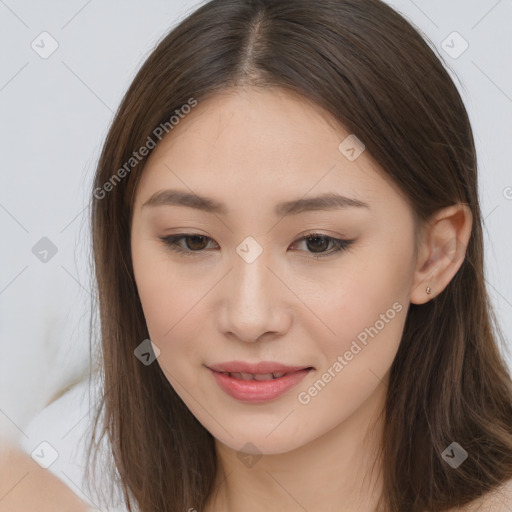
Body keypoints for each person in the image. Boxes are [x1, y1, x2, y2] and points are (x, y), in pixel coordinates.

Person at [5, 0, 512, 511]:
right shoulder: (48, 475)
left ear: (436, 253)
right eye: (192, 240)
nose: (249, 318)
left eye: (318, 243)